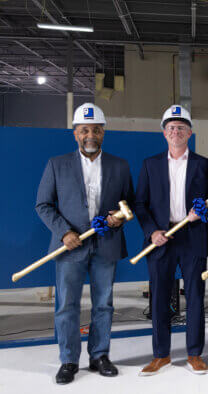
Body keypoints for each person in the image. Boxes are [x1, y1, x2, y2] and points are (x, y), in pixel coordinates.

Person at [35, 103, 134, 384]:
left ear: (103, 133)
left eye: (96, 130)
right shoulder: (57, 165)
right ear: (75, 133)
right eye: (84, 130)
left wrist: (118, 217)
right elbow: (43, 205)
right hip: (70, 247)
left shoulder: (120, 165)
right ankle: (68, 360)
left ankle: (99, 355)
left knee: (104, 304)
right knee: (67, 305)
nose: (90, 135)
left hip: (106, 245)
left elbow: (129, 203)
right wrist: (64, 232)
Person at [135, 105, 208, 376]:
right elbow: (141, 203)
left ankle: (194, 354)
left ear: (190, 133)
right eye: (171, 127)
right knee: (159, 297)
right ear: (164, 133)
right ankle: (161, 355)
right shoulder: (150, 164)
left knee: (195, 296)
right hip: (161, 238)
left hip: (192, 236)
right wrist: (151, 232)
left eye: (181, 128)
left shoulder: (204, 165)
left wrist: (202, 211)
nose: (176, 132)